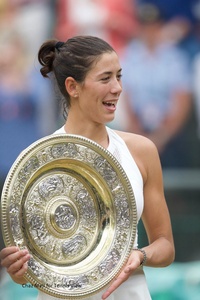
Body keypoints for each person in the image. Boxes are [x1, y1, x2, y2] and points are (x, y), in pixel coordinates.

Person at [0, 35, 175, 300]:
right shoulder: (34, 162)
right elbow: (29, 270)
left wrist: (139, 255)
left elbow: (166, 247)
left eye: (119, 76)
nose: (117, 88)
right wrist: (19, 271)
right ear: (73, 87)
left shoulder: (142, 151)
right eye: (105, 78)